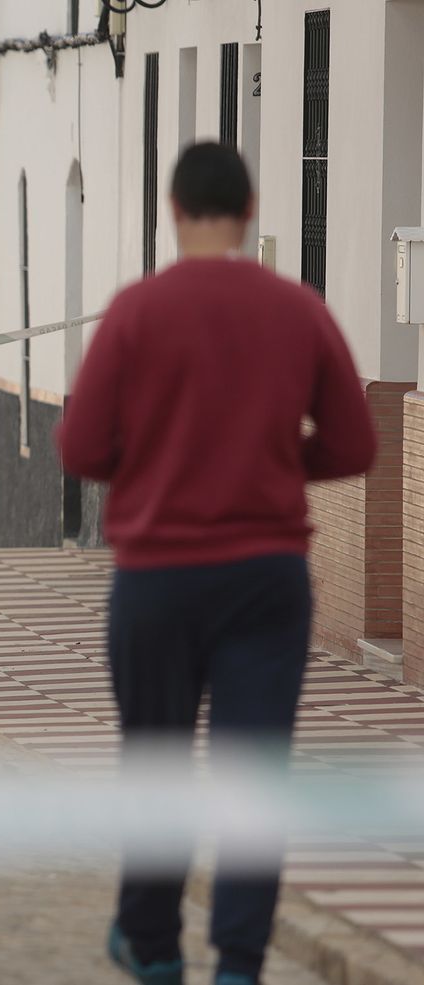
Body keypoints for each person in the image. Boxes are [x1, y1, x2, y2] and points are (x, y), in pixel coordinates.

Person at [56, 143, 376, 985]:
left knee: (156, 762)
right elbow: (355, 441)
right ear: (251, 208)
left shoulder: (136, 312)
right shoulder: (297, 310)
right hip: (266, 575)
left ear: (172, 209)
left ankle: (154, 945)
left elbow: (81, 444)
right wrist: (267, 465)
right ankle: (239, 961)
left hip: (158, 575)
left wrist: (161, 463)